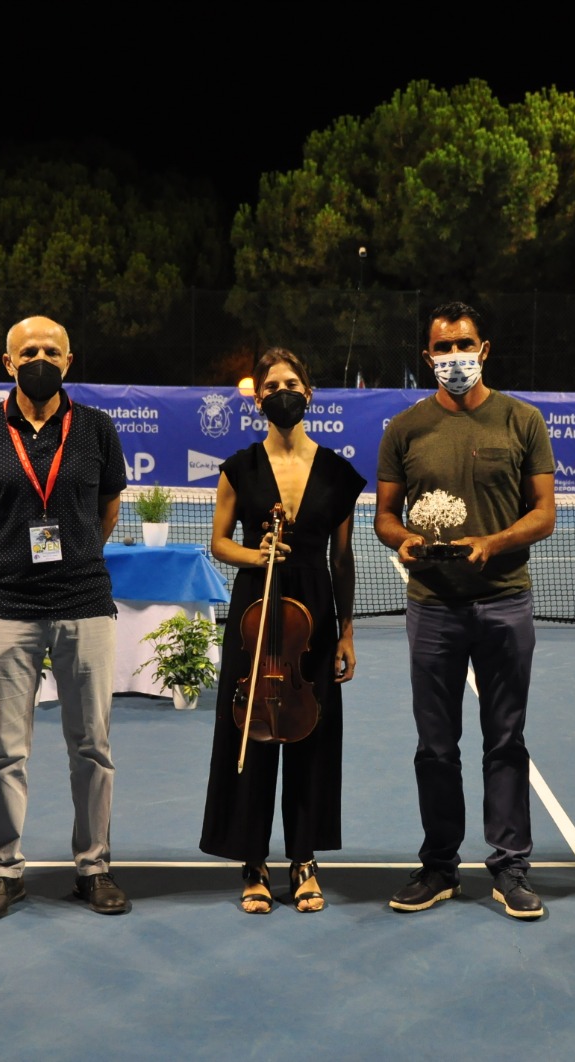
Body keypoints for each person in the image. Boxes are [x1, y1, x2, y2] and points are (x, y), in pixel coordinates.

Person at [375, 301, 556, 920]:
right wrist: (404, 541)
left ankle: (510, 869)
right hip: (433, 608)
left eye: (465, 344)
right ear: (427, 356)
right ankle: (439, 866)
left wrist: (492, 543)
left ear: (485, 349)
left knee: (506, 739)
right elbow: (384, 518)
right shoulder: (405, 429)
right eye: (443, 347)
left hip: (506, 602)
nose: (455, 356)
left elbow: (544, 514)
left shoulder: (522, 420)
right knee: (436, 745)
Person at [0, 315, 130, 920]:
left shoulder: (98, 430)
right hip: (5, 605)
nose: (40, 358)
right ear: (8, 363)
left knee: (93, 747)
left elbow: (106, 509)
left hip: (84, 602)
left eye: (52, 349)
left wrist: (76, 554)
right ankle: (4, 872)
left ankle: (94, 865)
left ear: (69, 359)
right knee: (4, 751)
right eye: (28, 350)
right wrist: (7, 562)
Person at [201, 348, 364, 914]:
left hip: (315, 614)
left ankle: (303, 859)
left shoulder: (339, 473)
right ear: (258, 399)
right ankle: (252, 860)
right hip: (256, 610)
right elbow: (219, 543)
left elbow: (342, 561)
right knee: (253, 731)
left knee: (310, 736)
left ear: (310, 392)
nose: (281, 393)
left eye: (291, 383)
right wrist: (255, 553)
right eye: (270, 386)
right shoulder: (237, 468)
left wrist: (346, 631)